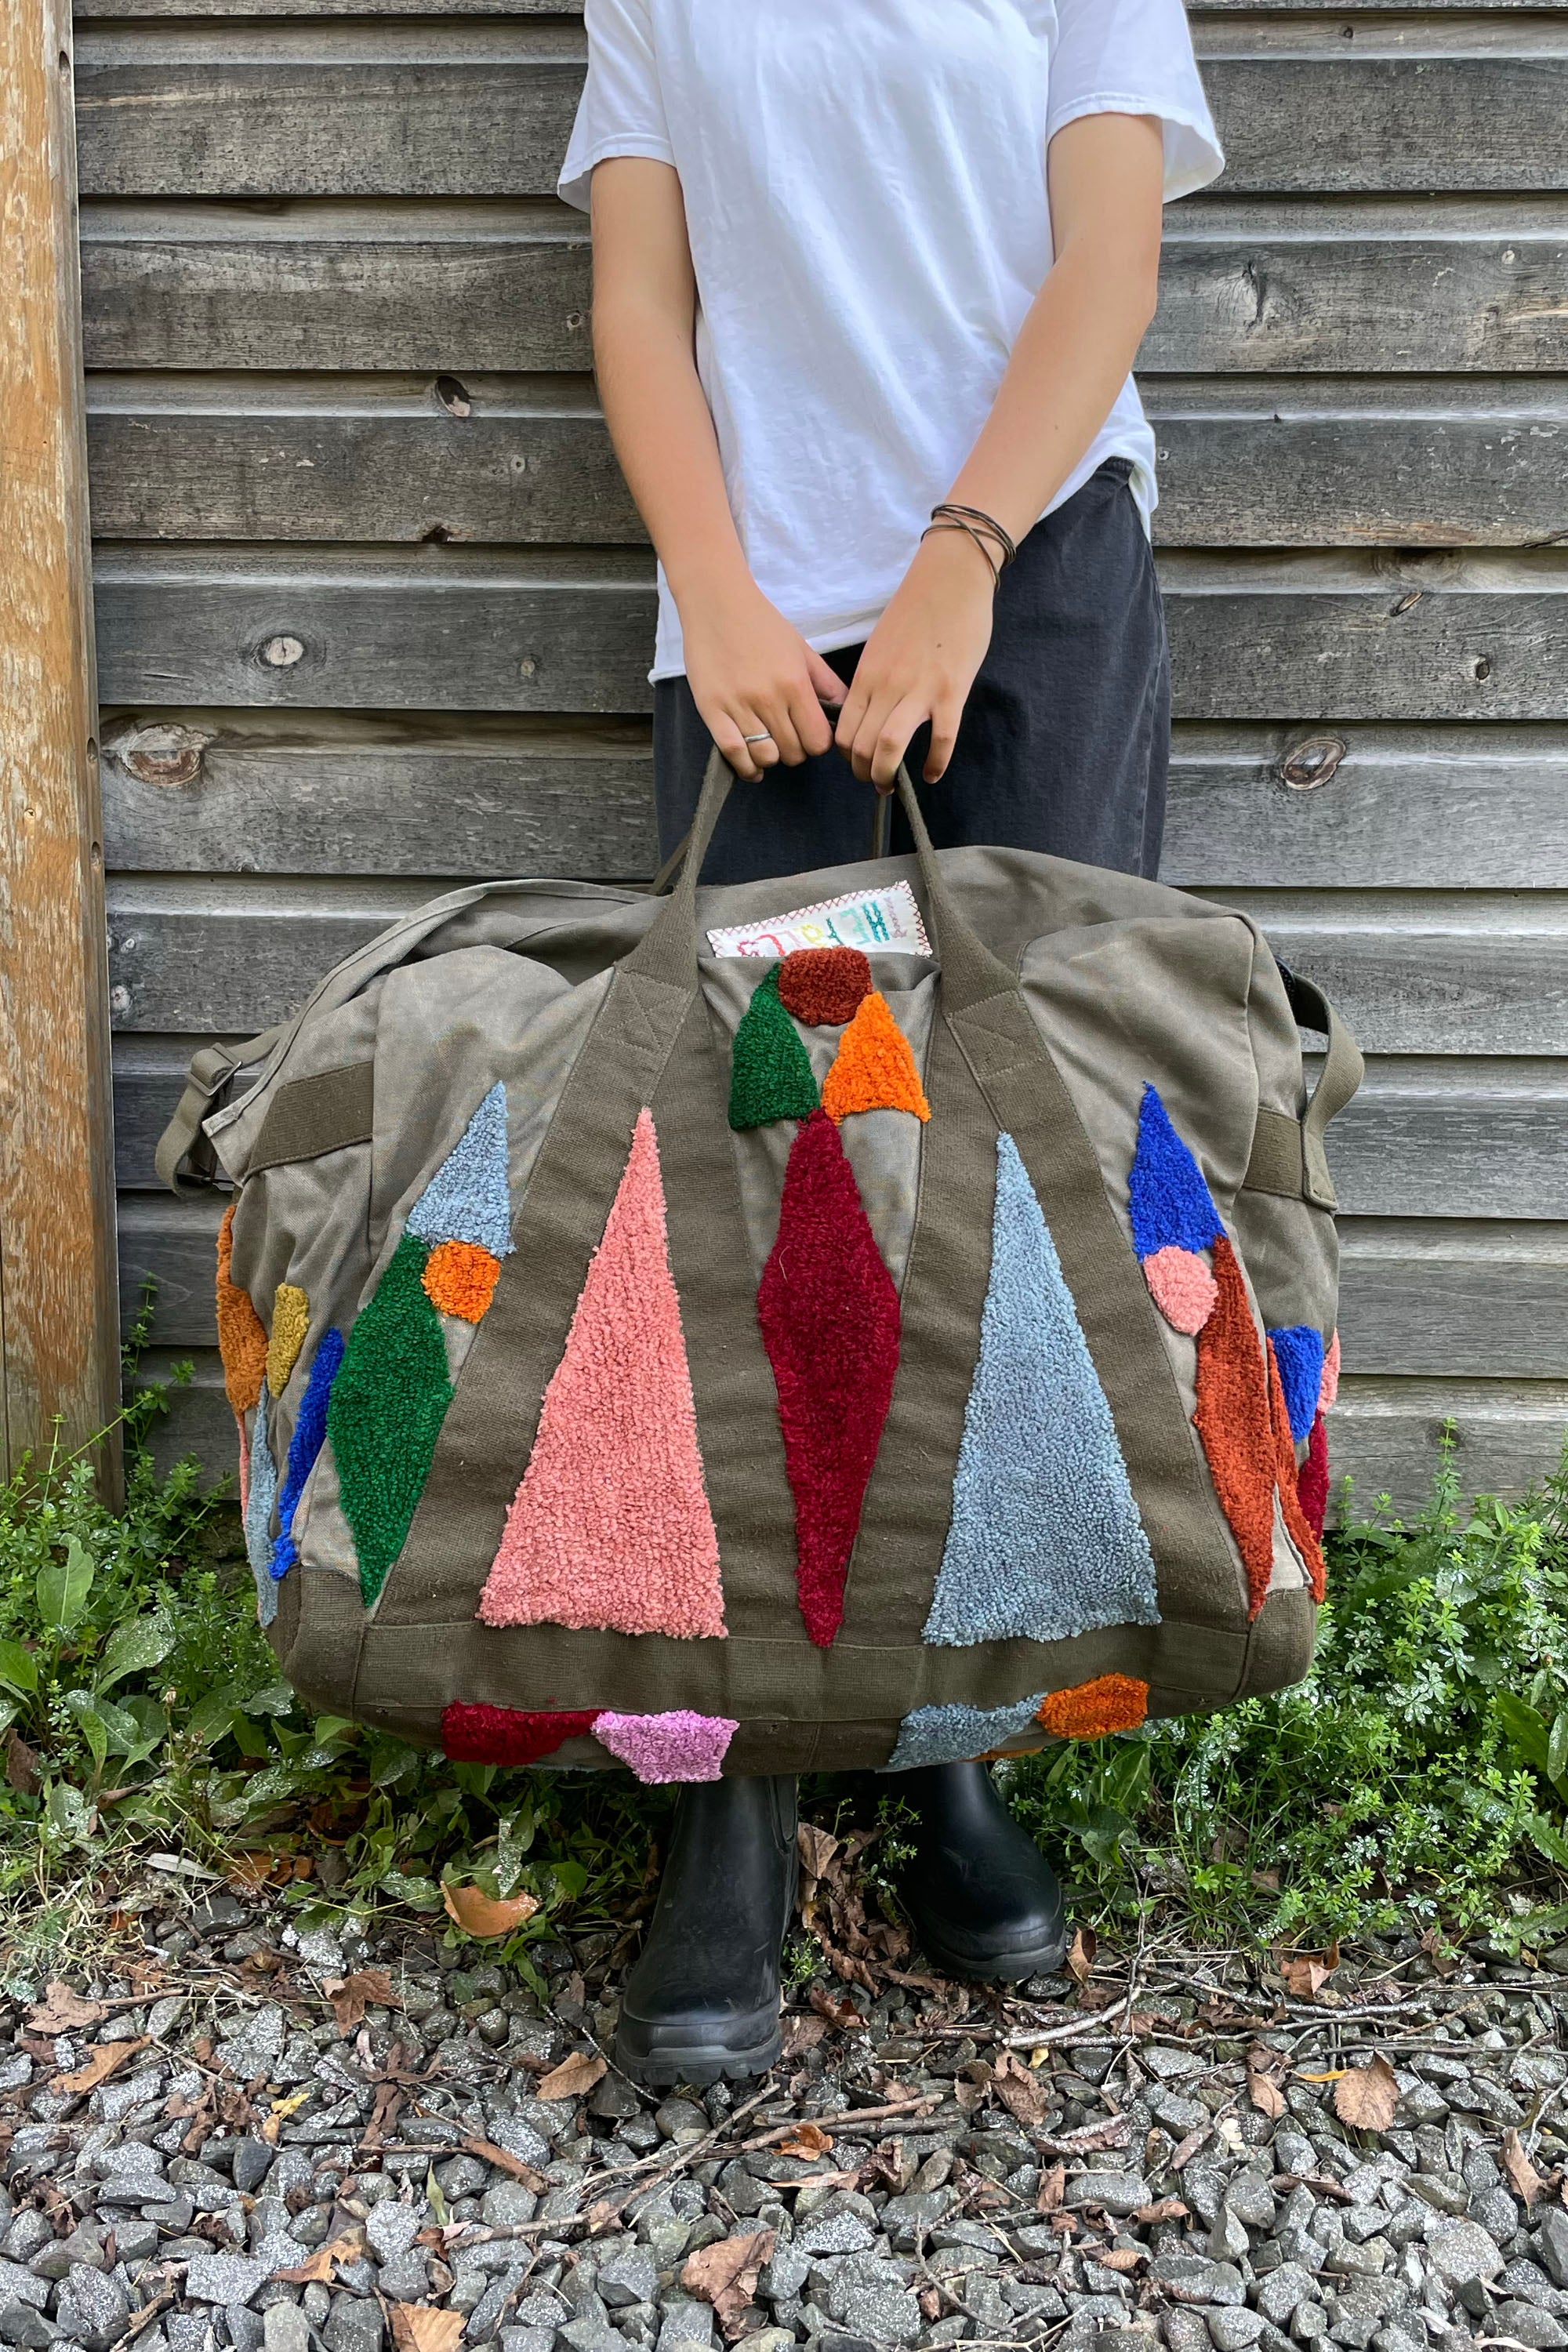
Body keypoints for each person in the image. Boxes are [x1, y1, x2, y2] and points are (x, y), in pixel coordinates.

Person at [557, 0, 1225, 2086]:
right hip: (751, 624)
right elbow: (640, 297)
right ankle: (731, 1808)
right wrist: (722, 589)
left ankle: (953, 1752)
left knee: (1000, 1210)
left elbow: (1106, 260)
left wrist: (956, 564)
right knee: (750, 1217)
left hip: (1030, 594)